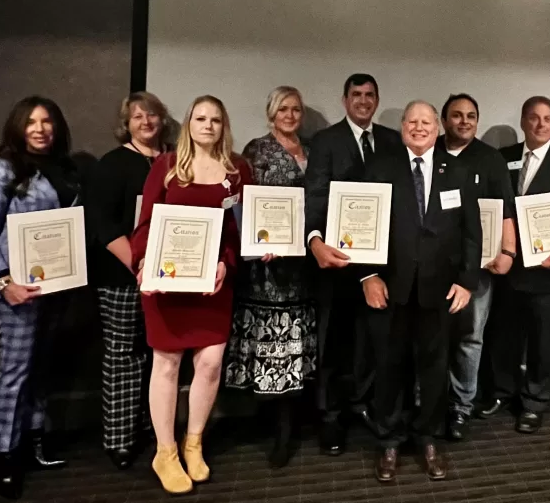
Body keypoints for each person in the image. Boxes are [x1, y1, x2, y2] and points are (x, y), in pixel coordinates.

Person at [131, 95, 252, 494]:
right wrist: (143, 263)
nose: (208, 125)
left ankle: (193, 441)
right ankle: (165, 451)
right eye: (200, 118)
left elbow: (237, 231)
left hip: (212, 284)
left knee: (212, 363)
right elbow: (146, 224)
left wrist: (226, 264)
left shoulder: (238, 171)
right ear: (188, 123)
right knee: (166, 364)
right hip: (167, 284)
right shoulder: (166, 168)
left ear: (224, 125)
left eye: (216, 119)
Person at [360, 100, 481, 482]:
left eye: (426, 121)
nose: (419, 127)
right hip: (389, 287)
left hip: (439, 289)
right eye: (412, 121)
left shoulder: (458, 170)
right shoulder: (380, 167)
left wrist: (467, 280)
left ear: (437, 128)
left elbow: (470, 233)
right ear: (401, 127)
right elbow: (361, 224)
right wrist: (367, 275)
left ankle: (428, 438)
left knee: (433, 368)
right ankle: (390, 442)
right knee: (390, 365)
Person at [0, 96, 78, 498]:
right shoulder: (2, 169)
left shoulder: (65, 169)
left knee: (40, 369)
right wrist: (5, 282)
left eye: (47, 121)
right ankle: (2, 455)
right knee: (15, 373)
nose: (40, 128)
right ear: (18, 127)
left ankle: (34, 441)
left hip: (53, 286)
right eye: (31, 122)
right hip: (13, 290)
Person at [478, 96, 550, 434]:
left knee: (544, 340)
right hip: (510, 266)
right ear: (523, 121)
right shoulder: (504, 158)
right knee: (505, 335)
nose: (540, 124)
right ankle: (503, 392)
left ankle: (535, 401)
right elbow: (494, 207)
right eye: (533, 118)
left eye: (547, 118)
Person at [303, 74, 403, 455]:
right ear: (344, 100)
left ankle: (363, 405)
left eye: (369, 95)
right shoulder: (326, 141)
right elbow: (314, 195)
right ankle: (330, 418)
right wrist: (313, 241)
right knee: (334, 343)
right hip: (337, 262)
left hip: (381, 264)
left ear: (377, 100)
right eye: (356, 95)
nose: (363, 101)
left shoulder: (393, 141)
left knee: (373, 341)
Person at [224, 86, 317, 467]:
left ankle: (290, 424)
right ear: (271, 113)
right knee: (270, 349)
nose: (290, 115)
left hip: (304, 267)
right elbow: (242, 203)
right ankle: (275, 429)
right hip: (267, 268)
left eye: (296, 109)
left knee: (295, 348)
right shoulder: (256, 150)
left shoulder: (312, 150)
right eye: (283, 108)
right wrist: (255, 239)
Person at [85, 92, 175, 470]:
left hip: (166, 276)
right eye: (138, 117)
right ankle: (120, 439)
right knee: (123, 356)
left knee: (159, 357)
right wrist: (139, 264)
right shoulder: (112, 164)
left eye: (152, 115)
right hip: (123, 278)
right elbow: (103, 225)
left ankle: (153, 430)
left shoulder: (173, 162)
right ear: (127, 122)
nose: (146, 122)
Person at [436, 93, 516, 441]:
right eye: (457, 115)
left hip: (478, 268)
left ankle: (460, 408)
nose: (464, 121)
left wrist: (509, 251)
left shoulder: (490, 158)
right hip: (432, 267)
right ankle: (429, 403)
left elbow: (506, 209)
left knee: (470, 338)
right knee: (432, 337)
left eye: (471, 115)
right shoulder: (429, 151)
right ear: (444, 120)